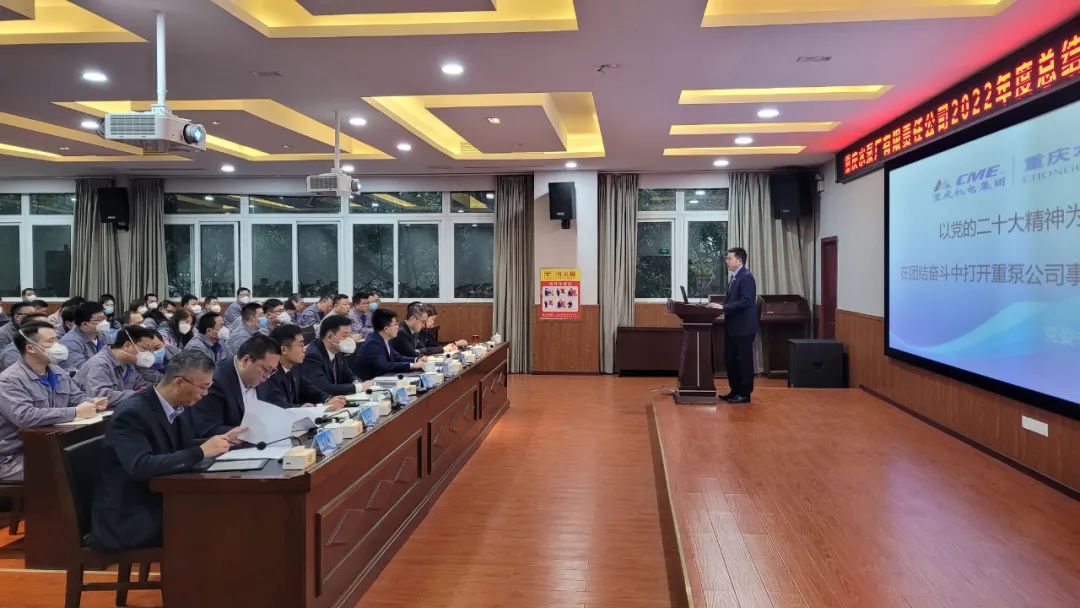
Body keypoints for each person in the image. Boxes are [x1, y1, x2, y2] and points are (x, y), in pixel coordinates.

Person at [88, 350, 245, 552]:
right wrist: (201, 451)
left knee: (231, 510)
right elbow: (141, 466)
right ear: (179, 382)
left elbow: (179, 446)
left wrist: (219, 441)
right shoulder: (132, 413)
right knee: (220, 522)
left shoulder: (179, 405)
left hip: (163, 499)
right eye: (203, 387)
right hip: (132, 515)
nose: (205, 394)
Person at [0, 321, 108, 481]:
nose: (58, 345)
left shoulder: (58, 372)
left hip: (52, 448)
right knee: (71, 473)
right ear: (30, 348)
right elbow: (24, 416)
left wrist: (92, 402)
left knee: (101, 462)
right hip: (14, 457)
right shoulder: (9, 380)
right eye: (51, 341)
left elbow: (76, 397)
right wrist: (75, 412)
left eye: (57, 339)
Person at [189, 334, 280, 440]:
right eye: (266, 370)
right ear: (245, 361)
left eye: (272, 371)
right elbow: (207, 429)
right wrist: (248, 432)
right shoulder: (215, 381)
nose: (268, 376)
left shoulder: (262, 377)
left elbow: (274, 403)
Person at [708, 247, 758, 404]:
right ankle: (735, 390)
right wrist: (720, 306)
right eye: (727, 258)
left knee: (743, 362)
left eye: (729, 258)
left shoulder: (746, 277)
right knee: (730, 360)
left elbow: (745, 302)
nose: (727, 261)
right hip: (733, 327)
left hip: (743, 328)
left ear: (739, 260)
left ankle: (744, 394)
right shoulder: (735, 277)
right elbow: (733, 300)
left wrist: (723, 307)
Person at [259, 325, 351, 410]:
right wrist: (321, 408)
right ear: (284, 349)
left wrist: (328, 400)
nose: (305, 349)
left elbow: (309, 389)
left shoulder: (295, 366)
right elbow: (280, 407)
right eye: (301, 345)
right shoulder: (269, 373)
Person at [73, 325, 161, 407]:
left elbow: (142, 385)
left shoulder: (129, 364)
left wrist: (157, 391)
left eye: (151, 350)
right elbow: (101, 396)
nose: (149, 354)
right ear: (127, 345)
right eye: (145, 349)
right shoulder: (99, 364)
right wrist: (139, 394)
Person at [299, 315, 362, 397]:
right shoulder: (312, 355)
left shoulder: (338, 350)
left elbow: (349, 375)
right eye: (345, 336)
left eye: (350, 335)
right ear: (330, 336)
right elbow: (325, 388)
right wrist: (357, 387)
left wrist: (356, 382)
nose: (349, 339)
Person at [354, 308, 425, 381]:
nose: (398, 327)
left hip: (384, 378)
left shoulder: (384, 339)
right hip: (371, 382)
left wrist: (417, 359)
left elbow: (398, 357)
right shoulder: (373, 343)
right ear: (386, 329)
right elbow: (384, 365)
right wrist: (412, 365)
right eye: (395, 324)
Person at [59, 301, 109, 372]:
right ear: (85, 324)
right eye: (99, 320)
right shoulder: (70, 341)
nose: (104, 322)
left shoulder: (102, 334)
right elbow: (83, 369)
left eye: (104, 319)